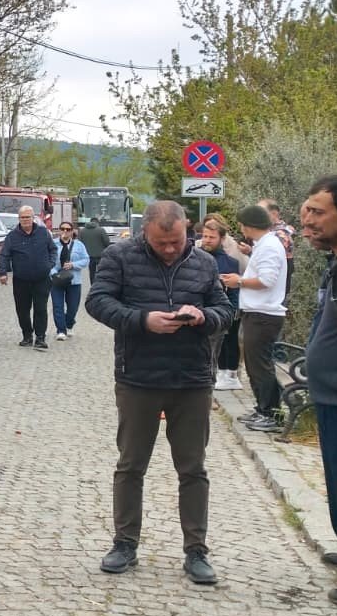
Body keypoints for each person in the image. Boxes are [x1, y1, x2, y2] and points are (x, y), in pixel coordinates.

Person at [87, 201, 233, 585]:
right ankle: (124, 543)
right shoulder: (120, 256)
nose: (169, 249)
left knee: (193, 469)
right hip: (138, 378)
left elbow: (224, 310)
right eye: (160, 242)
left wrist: (203, 319)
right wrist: (141, 320)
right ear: (145, 233)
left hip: (192, 379)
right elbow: (97, 301)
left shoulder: (203, 262)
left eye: (176, 241)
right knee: (131, 465)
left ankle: (196, 550)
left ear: (187, 229)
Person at [296, 178, 337, 616]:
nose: (306, 220)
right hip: (331, 398)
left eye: (317, 212)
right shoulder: (335, 264)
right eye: (305, 210)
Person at [224, 204, 288, 432]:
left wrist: (238, 281)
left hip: (264, 314)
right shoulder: (264, 245)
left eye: (241, 225)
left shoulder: (269, 246)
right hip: (257, 312)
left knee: (260, 366)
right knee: (255, 364)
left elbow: (267, 280)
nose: (241, 229)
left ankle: (270, 413)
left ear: (248, 226)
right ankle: (265, 409)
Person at [0, 205, 59, 350]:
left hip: (42, 279)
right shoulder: (12, 236)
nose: (25, 220)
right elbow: (5, 255)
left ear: (33, 218)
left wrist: (49, 265)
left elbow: (53, 250)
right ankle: (27, 335)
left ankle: (40, 338)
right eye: (23, 217)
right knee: (22, 310)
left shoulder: (44, 233)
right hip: (21, 280)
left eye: (28, 217)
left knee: (40, 308)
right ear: (19, 219)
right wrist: (2, 273)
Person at [199, 215, 243, 391]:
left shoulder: (229, 263)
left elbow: (233, 293)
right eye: (205, 236)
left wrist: (231, 314)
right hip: (195, 313)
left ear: (222, 239)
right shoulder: (194, 256)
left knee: (212, 356)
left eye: (212, 237)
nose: (207, 240)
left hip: (215, 316)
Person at [50, 219, 90, 341]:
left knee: (73, 307)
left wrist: (73, 265)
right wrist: (53, 273)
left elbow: (86, 260)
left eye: (68, 229)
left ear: (72, 231)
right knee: (58, 306)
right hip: (56, 280)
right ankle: (61, 330)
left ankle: (69, 323)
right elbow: (47, 260)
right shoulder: (52, 244)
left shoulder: (79, 245)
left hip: (74, 280)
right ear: (59, 231)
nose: (65, 232)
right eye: (63, 229)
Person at [259, 198, 297, 301]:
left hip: (275, 289)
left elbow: (271, 255)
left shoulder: (281, 234)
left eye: (261, 211)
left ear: (274, 214)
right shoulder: (271, 231)